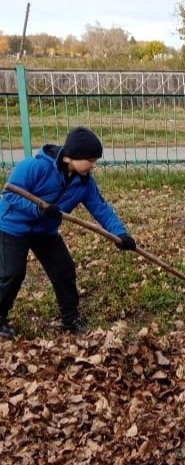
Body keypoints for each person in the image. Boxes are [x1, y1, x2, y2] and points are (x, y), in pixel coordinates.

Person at [0, 126, 136, 339]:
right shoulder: (34, 167)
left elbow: (101, 208)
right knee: (12, 274)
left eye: (95, 161)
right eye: (90, 160)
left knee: (64, 269)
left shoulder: (84, 182)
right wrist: (39, 209)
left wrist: (121, 234)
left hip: (45, 231)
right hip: (12, 226)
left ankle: (70, 319)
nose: (93, 166)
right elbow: (10, 196)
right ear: (72, 156)